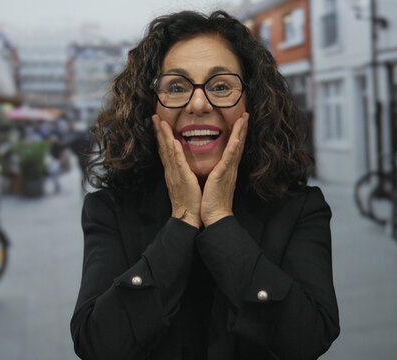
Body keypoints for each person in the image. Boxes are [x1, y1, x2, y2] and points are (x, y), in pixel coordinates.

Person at [70, 10, 339, 359]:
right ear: (150, 106)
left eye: (221, 86)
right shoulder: (109, 210)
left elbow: (309, 339)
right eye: (177, 86)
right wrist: (182, 221)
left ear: (252, 103)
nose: (199, 103)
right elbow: (96, 344)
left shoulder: (300, 208)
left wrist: (220, 221)